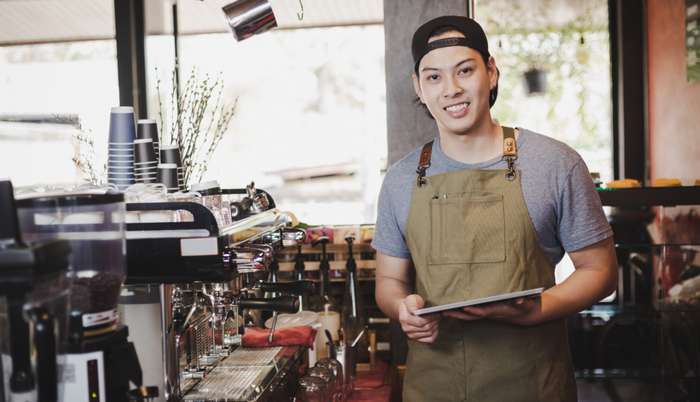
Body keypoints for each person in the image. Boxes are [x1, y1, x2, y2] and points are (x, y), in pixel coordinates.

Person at [372, 15, 617, 402]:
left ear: (491, 72)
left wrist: (537, 310)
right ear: (418, 87)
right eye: (434, 77)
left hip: (533, 386)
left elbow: (601, 272)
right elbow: (388, 283)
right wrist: (403, 307)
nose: (451, 89)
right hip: (434, 387)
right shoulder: (401, 180)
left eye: (464, 70)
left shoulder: (555, 163)